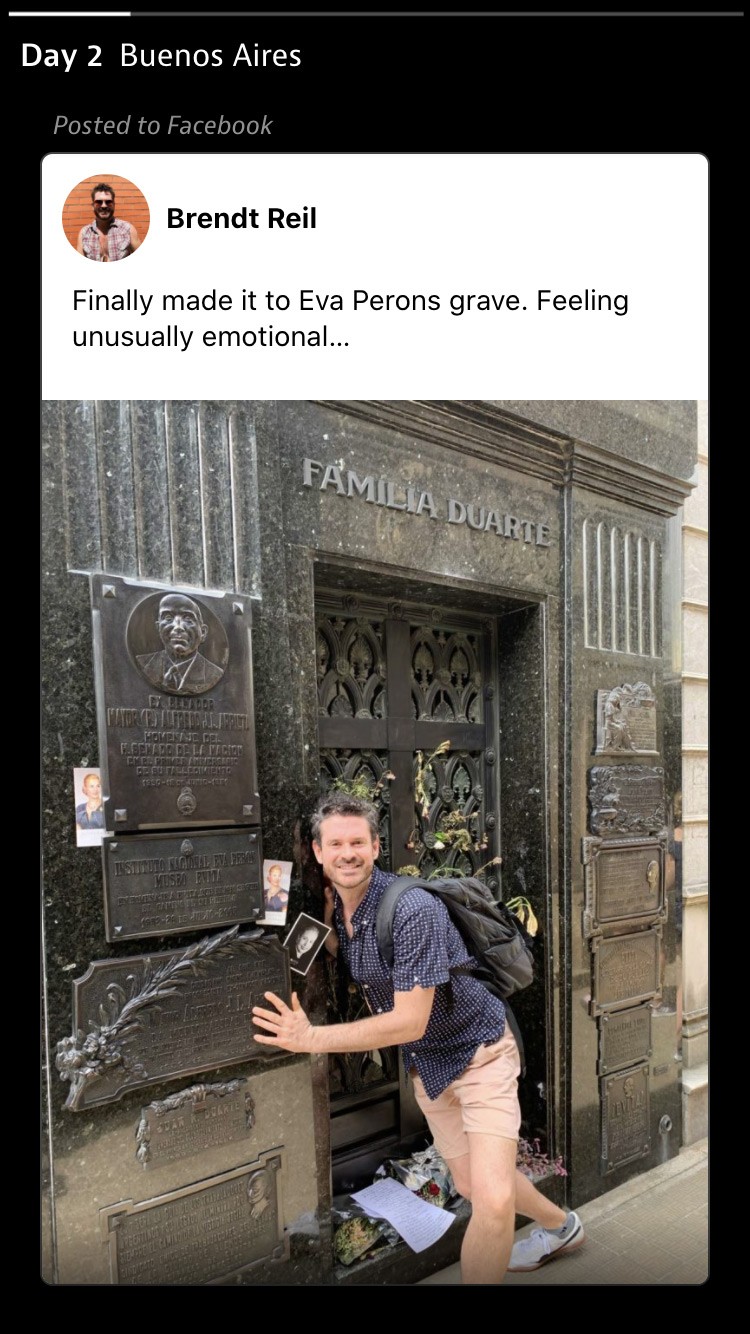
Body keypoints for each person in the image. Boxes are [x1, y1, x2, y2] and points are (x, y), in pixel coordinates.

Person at [252, 791, 584, 1283]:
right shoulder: (342, 908)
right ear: (318, 853)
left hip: (480, 1053)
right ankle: (563, 1227)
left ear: (376, 846)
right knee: (473, 1185)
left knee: (491, 1203)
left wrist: (310, 1038)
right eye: (336, 843)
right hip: (429, 1069)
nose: (348, 853)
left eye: (358, 842)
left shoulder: (412, 910)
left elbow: (410, 1021)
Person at [136, 593, 224, 695]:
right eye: (168, 618)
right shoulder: (143, 664)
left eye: (188, 619)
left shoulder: (214, 674)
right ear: (158, 628)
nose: (178, 627)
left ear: (203, 632)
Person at [76, 183, 141, 262]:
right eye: (99, 202)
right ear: (92, 206)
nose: (104, 206)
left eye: (108, 202)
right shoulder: (84, 233)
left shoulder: (128, 229)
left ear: (113, 205)